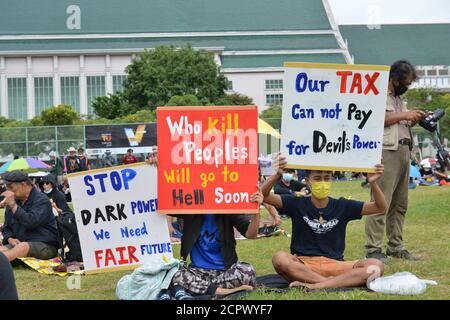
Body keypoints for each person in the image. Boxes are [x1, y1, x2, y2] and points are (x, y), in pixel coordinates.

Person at [261, 154, 388, 290]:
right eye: (317, 178)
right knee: (280, 259)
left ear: (331, 180)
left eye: (327, 178)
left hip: (336, 265)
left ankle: (316, 285)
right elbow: (264, 195)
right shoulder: (296, 203)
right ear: (307, 181)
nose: (322, 182)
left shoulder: (343, 205)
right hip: (304, 265)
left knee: (376, 266)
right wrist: (276, 176)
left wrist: (373, 182)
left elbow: (380, 207)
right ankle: (328, 283)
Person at [146, 157, 262, 299]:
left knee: (248, 271)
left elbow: (251, 234)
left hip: (224, 271)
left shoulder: (228, 206)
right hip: (197, 272)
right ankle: (223, 292)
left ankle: (202, 289)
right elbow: (163, 202)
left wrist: (256, 211)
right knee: (174, 273)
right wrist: (157, 170)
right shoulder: (190, 204)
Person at [365, 60, 426, 263]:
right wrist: (405, 114)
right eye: (405, 83)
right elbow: (374, 118)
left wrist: (411, 118)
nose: (406, 87)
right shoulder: (377, 94)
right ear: (394, 79)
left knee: (400, 203)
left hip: (404, 150)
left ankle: (395, 246)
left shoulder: (399, 99)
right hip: (386, 151)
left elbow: (397, 120)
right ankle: (373, 249)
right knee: (381, 202)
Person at [0, 171, 60, 262]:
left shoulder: (42, 200)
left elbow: (31, 222)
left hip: (44, 244)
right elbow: (6, 227)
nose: (9, 192)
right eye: (7, 188)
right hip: (20, 244)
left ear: (23, 184)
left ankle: (2, 263)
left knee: (23, 247)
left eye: (11, 188)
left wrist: (13, 206)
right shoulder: (14, 202)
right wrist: (10, 238)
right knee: (3, 249)